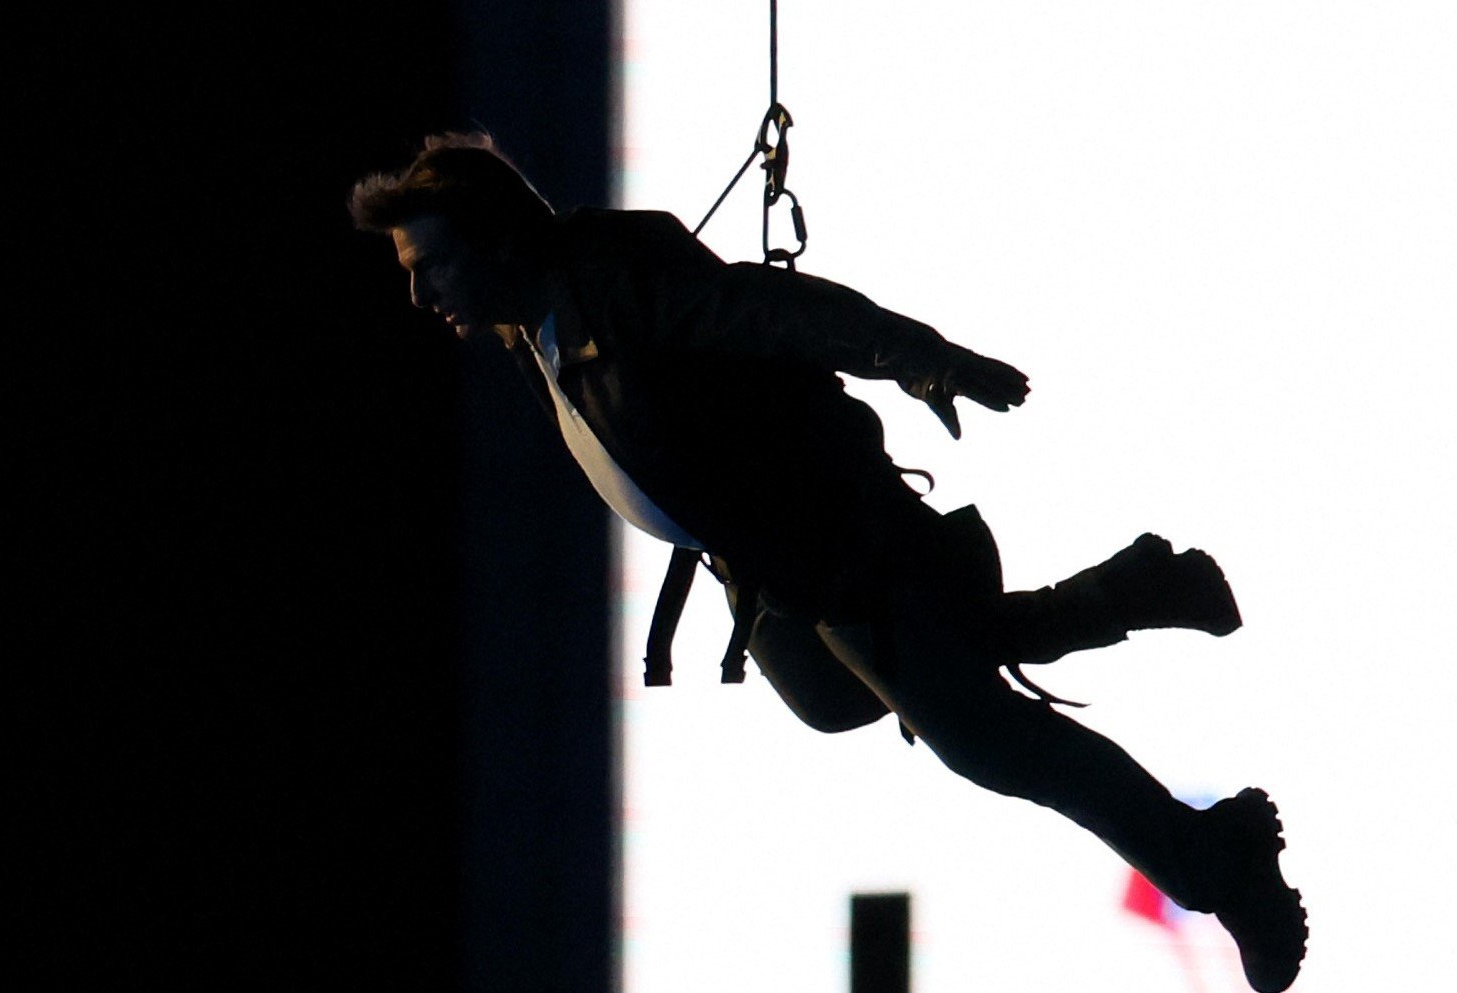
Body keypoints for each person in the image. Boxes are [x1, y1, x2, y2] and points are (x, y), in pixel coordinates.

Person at [350, 132, 1307, 992]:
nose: (420, 295)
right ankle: (1137, 587)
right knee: (847, 691)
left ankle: (1221, 867)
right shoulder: (530, 327)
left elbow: (773, 310)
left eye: (431, 266)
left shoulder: (613, 279)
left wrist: (919, 356)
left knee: (990, 741)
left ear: (496, 241)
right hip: (774, 570)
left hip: (840, 539)